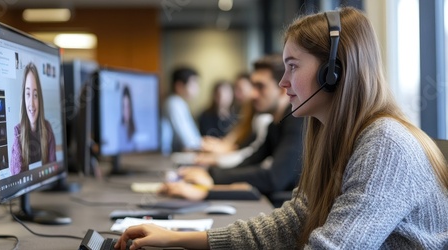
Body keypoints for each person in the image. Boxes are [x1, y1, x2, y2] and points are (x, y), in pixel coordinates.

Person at [115, 7, 448, 249]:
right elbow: (291, 224)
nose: (283, 82)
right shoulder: (329, 136)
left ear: (333, 73)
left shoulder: (385, 143)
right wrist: (180, 240)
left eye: (292, 67)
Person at [162, 54, 304, 201]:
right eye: (253, 86)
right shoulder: (275, 124)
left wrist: (211, 179)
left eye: (260, 87)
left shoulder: (297, 122)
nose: (253, 94)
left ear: (282, 89)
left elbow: (275, 177)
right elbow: (250, 161)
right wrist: (210, 174)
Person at [11, 62, 56, 175]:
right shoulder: (18, 132)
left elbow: (53, 171)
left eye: (35, 95)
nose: (31, 103)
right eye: (28, 94)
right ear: (23, 98)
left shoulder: (48, 129)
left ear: (40, 99)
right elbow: (17, 176)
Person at [162, 67, 202, 152]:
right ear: (179, 86)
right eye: (193, 84)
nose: (197, 88)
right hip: (171, 156)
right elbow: (189, 143)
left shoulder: (180, 103)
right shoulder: (174, 103)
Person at [119, 85, 137, 151]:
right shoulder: (120, 128)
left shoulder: (134, 128)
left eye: (127, 107)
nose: (125, 111)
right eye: (123, 107)